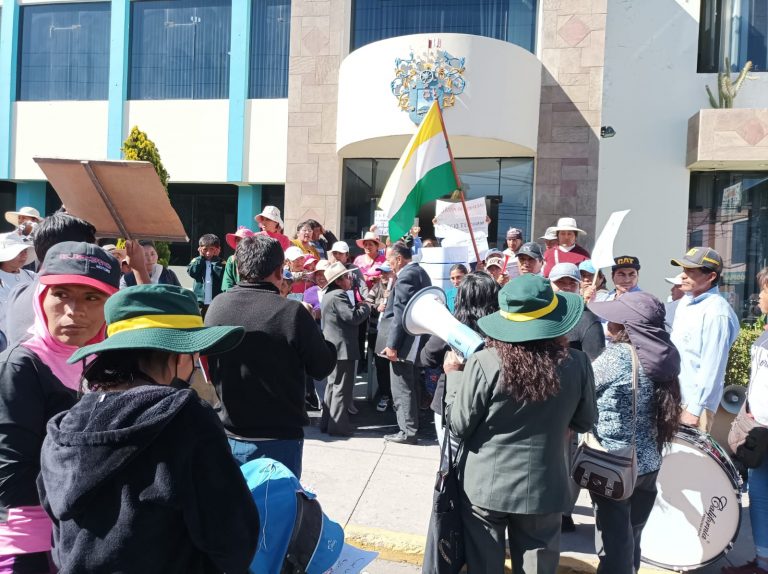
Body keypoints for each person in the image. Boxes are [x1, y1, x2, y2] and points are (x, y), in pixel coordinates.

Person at [38, 284, 259, 573]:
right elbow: (233, 539)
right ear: (180, 355)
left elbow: (59, 534)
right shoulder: (185, 418)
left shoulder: (65, 425)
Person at [445, 274, 596, 572]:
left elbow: (459, 425)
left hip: (485, 487)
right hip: (545, 485)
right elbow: (585, 421)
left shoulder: (484, 362)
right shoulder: (577, 363)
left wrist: (453, 376)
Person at [0, 242, 120, 572]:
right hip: (28, 544)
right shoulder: (20, 367)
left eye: (91, 298)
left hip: (83, 538)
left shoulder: (104, 362)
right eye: (62, 295)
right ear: (41, 298)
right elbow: (10, 476)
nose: (73, 311)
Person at [204, 235, 336, 478]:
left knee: (236, 513)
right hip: (279, 440)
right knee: (276, 511)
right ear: (279, 270)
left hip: (230, 433)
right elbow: (322, 366)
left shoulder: (217, 306)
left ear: (238, 267)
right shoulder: (292, 312)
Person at [587, 291, 682, 573]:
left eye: (614, 321)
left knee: (615, 542)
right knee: (632, 537)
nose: (608, 326)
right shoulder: (663, 355)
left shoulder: (616, 357)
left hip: (614, 465)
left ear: (626, 327)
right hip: (649, 464)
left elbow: (582, 392)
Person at [722, 268, 768, 574]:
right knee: (761, 499)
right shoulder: (764, 333)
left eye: (764, 291)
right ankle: (762, 562)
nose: (760, 297)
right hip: (759, 427)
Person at [420, 272, 499, 448]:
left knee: (451, 462)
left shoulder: (453, 327)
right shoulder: (500, 328)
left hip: (451, 403)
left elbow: (426, 358)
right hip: (491, 404)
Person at [670, 247, 739, 432]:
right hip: (675, 399)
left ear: (711, 277)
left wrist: (694, 410)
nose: (683, 276)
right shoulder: (686, 301)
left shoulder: (717, 312)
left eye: (691, 271)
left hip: (693, 407)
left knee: (688, 460)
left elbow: (713, 367)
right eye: (684, 270)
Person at [377, 241, 432, 444]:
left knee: (401, 386)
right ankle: (410, 426)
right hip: (414, 339)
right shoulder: (419, 272)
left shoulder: (406, 276)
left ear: (399, 259)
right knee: (410, 384)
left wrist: (392, 345)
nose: (389, 264)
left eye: (390, 259)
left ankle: (407, 431)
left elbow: (400, 313)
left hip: (405, 342)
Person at [319, 262, 371, 436]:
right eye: (347, 277)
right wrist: (365, 306)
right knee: (341, 388)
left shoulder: (328, 295)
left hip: (333, 347)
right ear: (339, 280)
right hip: (342, 349)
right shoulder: (339, 295)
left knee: (332, 386)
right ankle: (338, 427)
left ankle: (327, 423)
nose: (350, 279)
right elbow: (352, 317)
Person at [550, 263, 604, 361]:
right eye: (560, 282)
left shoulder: (588, 319)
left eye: (572, 283)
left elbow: (596, 365)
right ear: (549, 284)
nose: (567, 287)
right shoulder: (539, 315)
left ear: (579, 287)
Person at [0, 234, 36, 350]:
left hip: (30, 341)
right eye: (19, 251)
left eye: (25, 251)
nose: (24, 255)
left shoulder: (31, 276)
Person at [186, 233, 225, 316]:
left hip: (216, 301)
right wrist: (200, 258)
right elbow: (192, 272)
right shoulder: (196, 260)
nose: (208, 253)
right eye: (205, 249)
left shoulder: (222, 263)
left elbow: (221, 276)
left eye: (212, 249)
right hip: (200, 302)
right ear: (200, 249)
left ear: (218, 249)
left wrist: (215, 260)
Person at [222, 226, 255, 291]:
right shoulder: (232, 260)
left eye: (242, 240)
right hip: (235, 295)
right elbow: (227, 283)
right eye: (237, 240)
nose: (239, 242)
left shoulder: (257, 258)